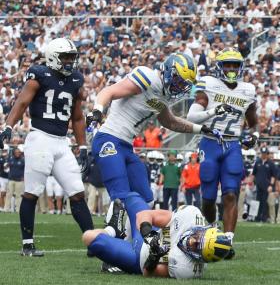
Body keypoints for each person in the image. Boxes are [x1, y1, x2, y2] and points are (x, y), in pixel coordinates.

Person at [86, 53, 221, 205]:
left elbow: (170, 122)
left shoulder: (164, 94)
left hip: (126, 146)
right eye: (178, 81)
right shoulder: (148, 77)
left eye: (184, 84)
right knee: (121, 198)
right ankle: (113, 229)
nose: (179, 87)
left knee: (147, 200)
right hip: (109, 138)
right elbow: (109, 91)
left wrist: (201, 129)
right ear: (169, 71)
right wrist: (97, 110)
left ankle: (135, 228)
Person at [0, 38, 94, 256]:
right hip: (40, 138)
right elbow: (22, 102)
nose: (70, 61)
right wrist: (8, 126)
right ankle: (27, 245)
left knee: (77, 193)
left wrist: (83, 147)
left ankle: (94, 243)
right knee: (32, 192)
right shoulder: (39, 75)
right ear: (53, 57)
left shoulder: (76, 80)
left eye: (72, 57)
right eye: (65, 57)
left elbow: (78, 118)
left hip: (62, 143)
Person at [187, 49, 259, 241]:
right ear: (219, 66)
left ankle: (227, 239)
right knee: (208, 197)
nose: (231, 68)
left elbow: (253, 122)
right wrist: (213, 111)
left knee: (230, 194)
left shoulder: (248, 89)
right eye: (227, 64)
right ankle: (211, 229)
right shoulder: (209, 84)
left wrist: (254, 135)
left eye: (235, 64)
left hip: (233, 144)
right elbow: (191, 116)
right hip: (210, 142)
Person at [83, 195, 233, 279]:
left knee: (89, 238)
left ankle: (111, 231)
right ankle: (115, 229)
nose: (192, 241)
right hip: (150, 234)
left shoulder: (186, 269)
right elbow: (144, 215)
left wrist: (153, 258)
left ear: (200, 258)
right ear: (203, 229)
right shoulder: (190, 216)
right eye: (198, 237)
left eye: (196, 247)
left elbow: (149, 273)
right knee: (131, 197)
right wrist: (148, 233)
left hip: (139, 257)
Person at [252, 147, 275, 223]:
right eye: (262, 153)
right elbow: (253, 174)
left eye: (265, 154)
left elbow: (273, 176)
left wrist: (271, 185)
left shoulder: (271, 163)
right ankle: (257, 217)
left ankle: (264, 217)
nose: (263, 155)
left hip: (266, 186)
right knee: (257, 201)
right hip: (258, 185)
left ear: (267, 154)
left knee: (264, 202)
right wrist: (252, 183)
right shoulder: (257, 162)